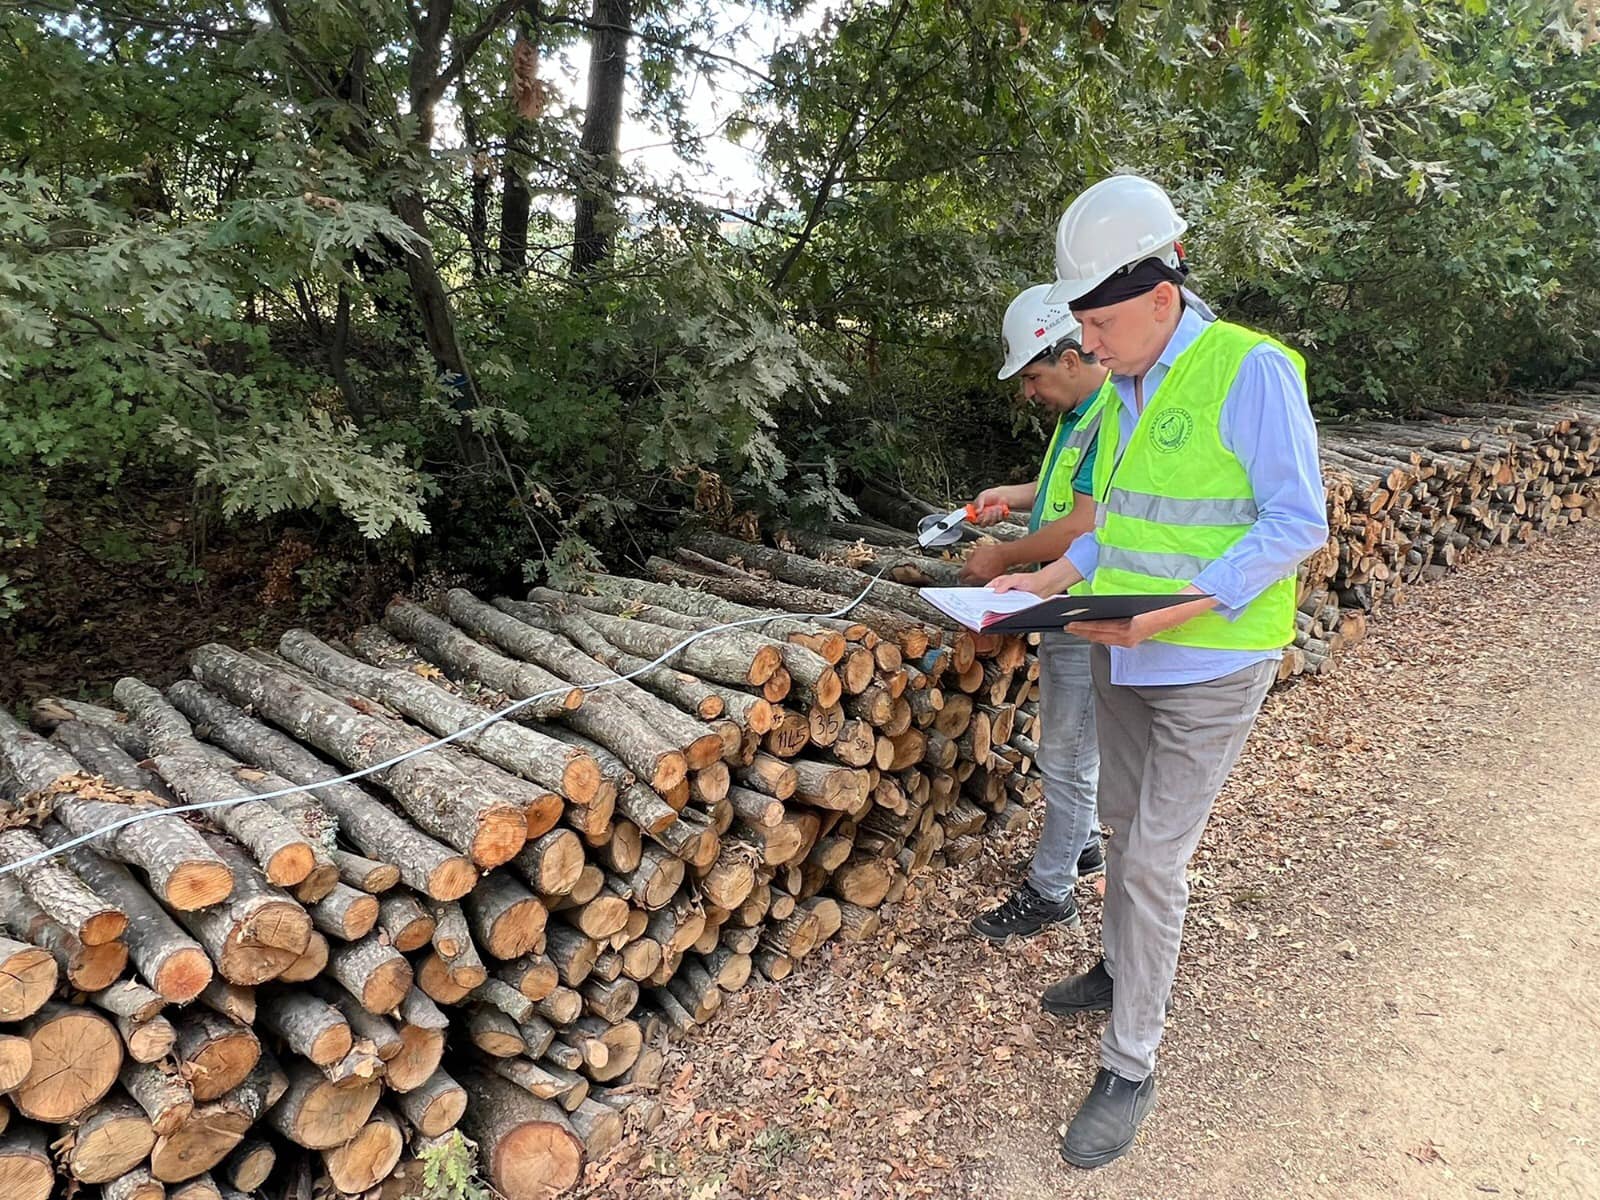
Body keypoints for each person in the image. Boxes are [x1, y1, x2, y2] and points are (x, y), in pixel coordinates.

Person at [989, 174, 1329, 1168]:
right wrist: (1044, 584)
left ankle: (1130, 1060)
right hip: (1120, 650)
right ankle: (1117, 963)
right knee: (1122, 830)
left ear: (1158, 297)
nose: (1085, 347)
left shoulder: (1249, 369)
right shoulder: (1127, 388)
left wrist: (1186, 606)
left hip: (1210, 661)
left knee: (1150, 861)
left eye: (1095, 323)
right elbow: (1119, 530)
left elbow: (1296, 518)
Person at [961, 284, 1113, 940]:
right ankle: (1082, 847)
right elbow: (1058, 495)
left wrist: (1006, 558)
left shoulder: (1112, 416)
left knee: (1068, 754)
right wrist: (1011, 497)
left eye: (1034, 376)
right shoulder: (1078, 415)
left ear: (1072, 358)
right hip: (1063, 597)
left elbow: (1085, 525)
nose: (1029, 392)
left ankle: (1052, 892)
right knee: (1076, 743)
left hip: (1085, 602)